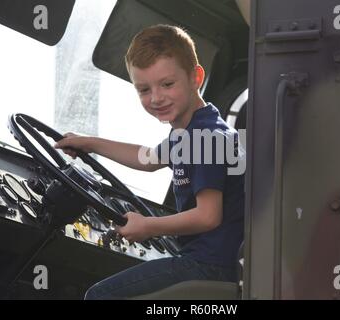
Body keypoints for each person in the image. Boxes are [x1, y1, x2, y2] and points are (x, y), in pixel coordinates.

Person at [54, 24, 245, 300]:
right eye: (143, 89)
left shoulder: (206, 137)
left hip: (210, 266)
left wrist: (148, 226)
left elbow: (208, 216)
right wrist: (88, 143)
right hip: (214, 263)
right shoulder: (195, 128)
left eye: (167, 84)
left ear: (196, 77)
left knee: (100, 296)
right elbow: (149, 158)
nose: (156, 98)